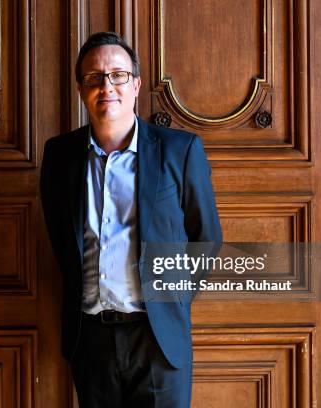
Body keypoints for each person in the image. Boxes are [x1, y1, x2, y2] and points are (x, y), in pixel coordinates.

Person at [40, 31, 222, 407]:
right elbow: (61, 240)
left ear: (136, 84)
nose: (107, 86)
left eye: (118, 75)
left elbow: (207, 238)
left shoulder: (180, 150)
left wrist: (172, 297)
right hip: (90, 338)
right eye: (94, 77)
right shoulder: (59, 156)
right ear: (80, 88)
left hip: (158, 337)